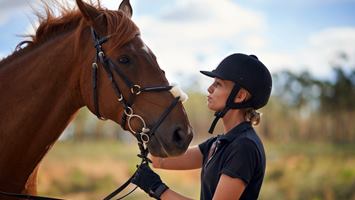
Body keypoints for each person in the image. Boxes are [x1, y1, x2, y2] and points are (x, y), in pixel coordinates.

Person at [131, 53, 272, 200]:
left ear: (240, 96)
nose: (210, 88)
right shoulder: (218, 144)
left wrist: (158, 189)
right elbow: (160, 160)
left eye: (218, 84)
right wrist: (151, 116)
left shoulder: (244, 147)